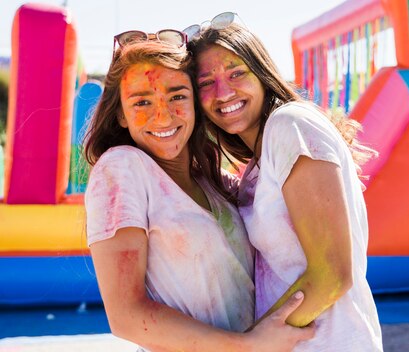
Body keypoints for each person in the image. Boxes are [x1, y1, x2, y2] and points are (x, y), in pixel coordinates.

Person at [83, 32, 314, 352]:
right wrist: (248, 346)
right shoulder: (122, 168)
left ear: (195, 102)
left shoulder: (214, 183)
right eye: (142, 102)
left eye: (177, 96)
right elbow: (126, 316)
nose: (162, 115)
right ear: (121, 113)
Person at [185, 15, 383, 351]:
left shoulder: (289, 125)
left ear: (261, 74)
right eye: (206, 83)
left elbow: (333, 274)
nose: (223, 91)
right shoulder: (258, 162)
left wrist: (248, 345)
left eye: (236, 73)